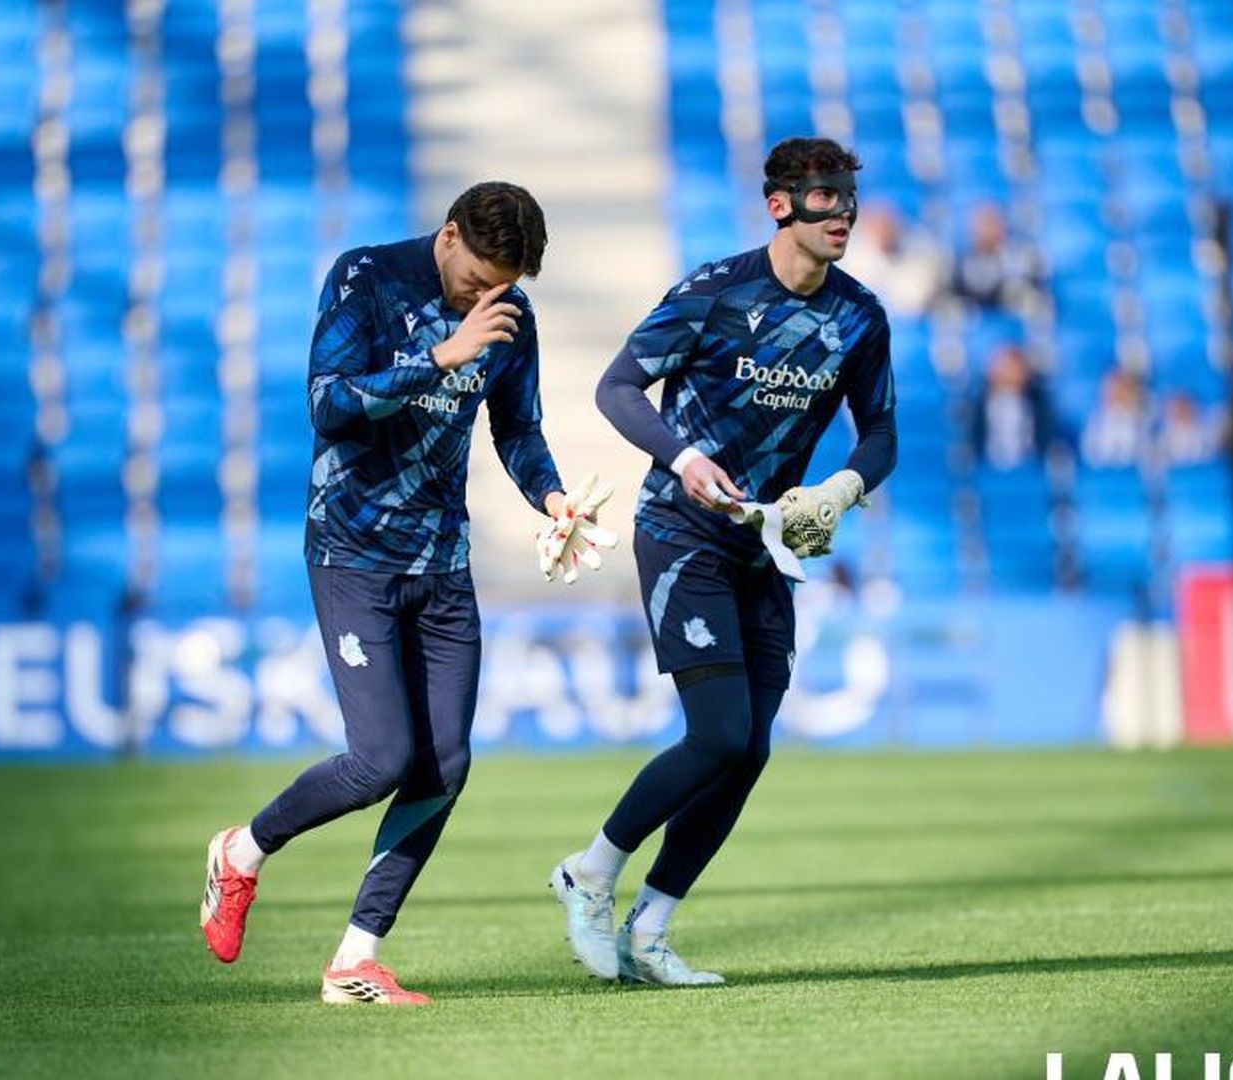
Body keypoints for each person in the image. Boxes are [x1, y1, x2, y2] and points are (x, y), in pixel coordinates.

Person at [198, 182, 609, 1006]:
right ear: (448, 235)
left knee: (444, 765)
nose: (488, 298)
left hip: (444, 563)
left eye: (505, 287)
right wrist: (441, 357)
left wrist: (553, 498)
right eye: (478, 280)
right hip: (353, 553)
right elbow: (328, 405)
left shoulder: (508, 317)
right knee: (381, 758)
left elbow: (517, 430)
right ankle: (242, 851)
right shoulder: (367, 278)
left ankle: (355, 959)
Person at [550, 137, 897, 987]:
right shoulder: (714, 292)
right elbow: (617, 389)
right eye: (823, 197)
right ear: (780, 205)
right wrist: (682, 458)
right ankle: (588, 872)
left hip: (769, 543)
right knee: (719, 734)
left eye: (848, 196)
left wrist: (842, 488)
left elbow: (882, 432)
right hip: (682, 531)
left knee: (750, 751)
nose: (841, 212)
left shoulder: (861, 315)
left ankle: (653, 927)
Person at [841, 203, 947, 317]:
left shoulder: (918, 250)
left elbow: (915, 304)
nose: (882, 234)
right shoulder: (853, 258)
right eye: (876, 229)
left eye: (886, 228)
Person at [970, 343, 1060, 470]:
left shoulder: (1039, 403)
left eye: (1015, 368)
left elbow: (1045, 440)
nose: (1010, 373)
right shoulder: (978, 403)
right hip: (988, 470)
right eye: (1005, 368)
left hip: (1028, 471)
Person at [952, 202, 1044, 318]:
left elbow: (1037, 291)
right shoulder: (963, 262)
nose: (986, 231)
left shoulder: (1022, 258)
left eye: (991, 224)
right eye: (982, 225)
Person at [1081, 368, 1148, 468]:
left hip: (1131, 476)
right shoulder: (1096, 418)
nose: (1113, 392)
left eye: (1119, 388)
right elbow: (1088, 453)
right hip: (1102, 475)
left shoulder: (1140, 420)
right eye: (1109, 388)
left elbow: (1143, 453)